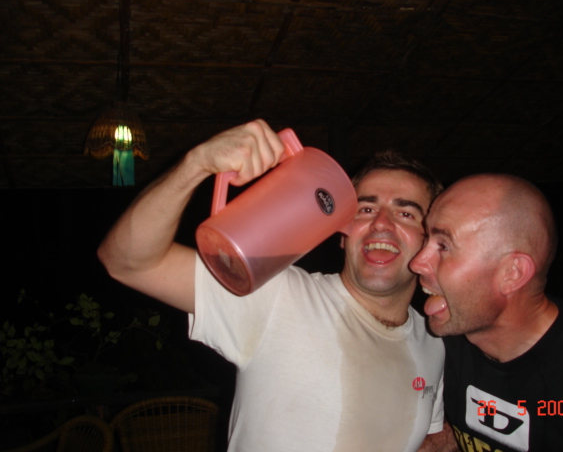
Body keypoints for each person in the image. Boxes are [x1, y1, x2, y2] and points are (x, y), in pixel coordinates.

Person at [98, 119, 446, 452]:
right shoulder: (277, 297)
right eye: (365, 210)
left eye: (405, 213)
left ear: (430, 241)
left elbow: (428, 437)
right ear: (341, 232)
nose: (380, 224)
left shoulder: (434, 342)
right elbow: (128, 262)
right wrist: (197, 164)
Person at [411, 173, 563, 452]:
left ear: (512, 273)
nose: (418, 263)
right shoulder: (445, 344)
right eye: (426, 241)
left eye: (443, 246)